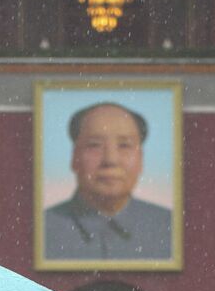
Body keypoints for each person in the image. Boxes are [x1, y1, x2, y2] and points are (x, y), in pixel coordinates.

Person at [42, 102, 174, 262]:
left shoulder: (169, 228)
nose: (110, 160)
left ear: (141, 159)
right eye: (94, 145)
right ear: (74, 157)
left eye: (124, 145)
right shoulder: (42, 229)